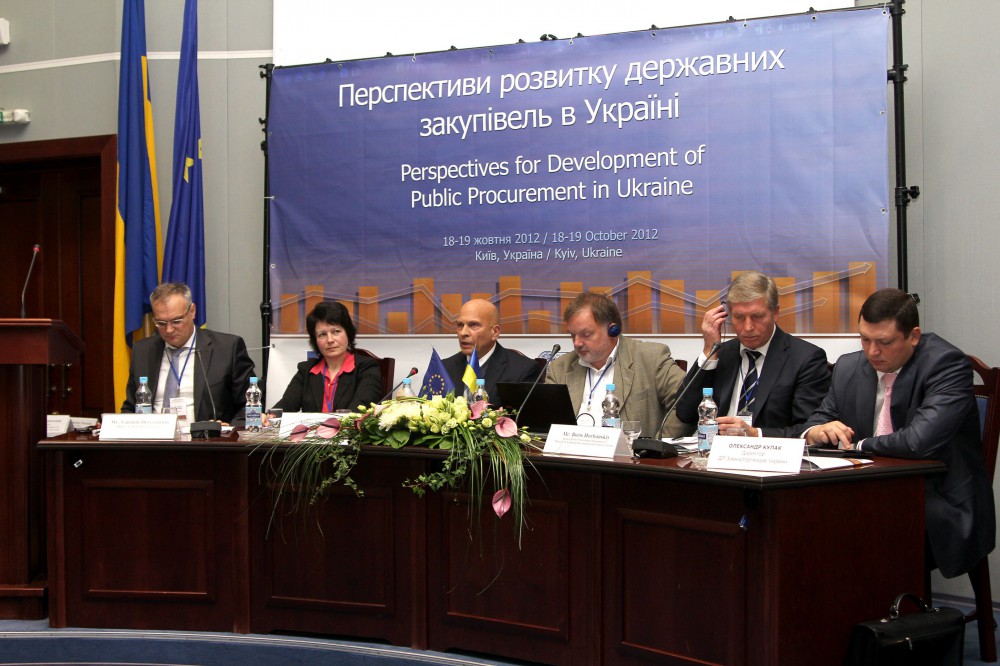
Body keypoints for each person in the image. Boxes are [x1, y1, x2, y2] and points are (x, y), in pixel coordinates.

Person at [802, 288, 995, 579]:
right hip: (863, 490)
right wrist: (817, 431)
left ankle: (883, 604)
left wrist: (858, 445)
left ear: (913, 336)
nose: (872, 352)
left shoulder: (946, 365)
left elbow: (918, 442)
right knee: (806, 517)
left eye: (885, 342)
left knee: (857, 527)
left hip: (936, 496)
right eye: (864, 339)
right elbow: (819, 418)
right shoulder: (849, 366)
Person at [675, 271, 830, 437]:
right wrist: (709, 351)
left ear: (775, 313)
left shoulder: (806, 358)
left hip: (770, 451)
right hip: (717, 450)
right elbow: (684, 413)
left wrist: (756, 434)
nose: (748, 327)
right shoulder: (722, 353)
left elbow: (808, 429)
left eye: (757, 316)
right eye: (739, 317)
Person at [545, 292, 687, 438]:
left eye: (586, 334)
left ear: (613, 330)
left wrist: (658, 445)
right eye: (572, 335)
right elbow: (545, 423)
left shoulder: (651, 358)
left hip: (631, 452)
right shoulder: (560, 368)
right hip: (571, 451)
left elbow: (687, 403)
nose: (577, 343)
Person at [121, 282, 256, 422]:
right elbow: (130, 408)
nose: (169, 330)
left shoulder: (227, 349)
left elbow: (251, 405)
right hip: (154, 434)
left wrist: (228, 430)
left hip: (205, 435)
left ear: (192, 311)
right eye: (161, 323)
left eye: (176, 321)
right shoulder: (143, 351)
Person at [271, 301, 383, 412]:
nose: (330, 340)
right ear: (315, 340)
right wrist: (268, 416)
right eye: (322, 334)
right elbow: (286, 404)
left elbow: (361, 407)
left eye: (336, 332)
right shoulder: (307, 370)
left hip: (348, 424)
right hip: (312, 425)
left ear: (348, 333)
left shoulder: (367, 368)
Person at [442, 299, 541, 398]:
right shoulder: (443, 368)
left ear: (495, 332)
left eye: (473, 325)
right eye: (460, 325)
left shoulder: (523, 370)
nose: (463, 333)